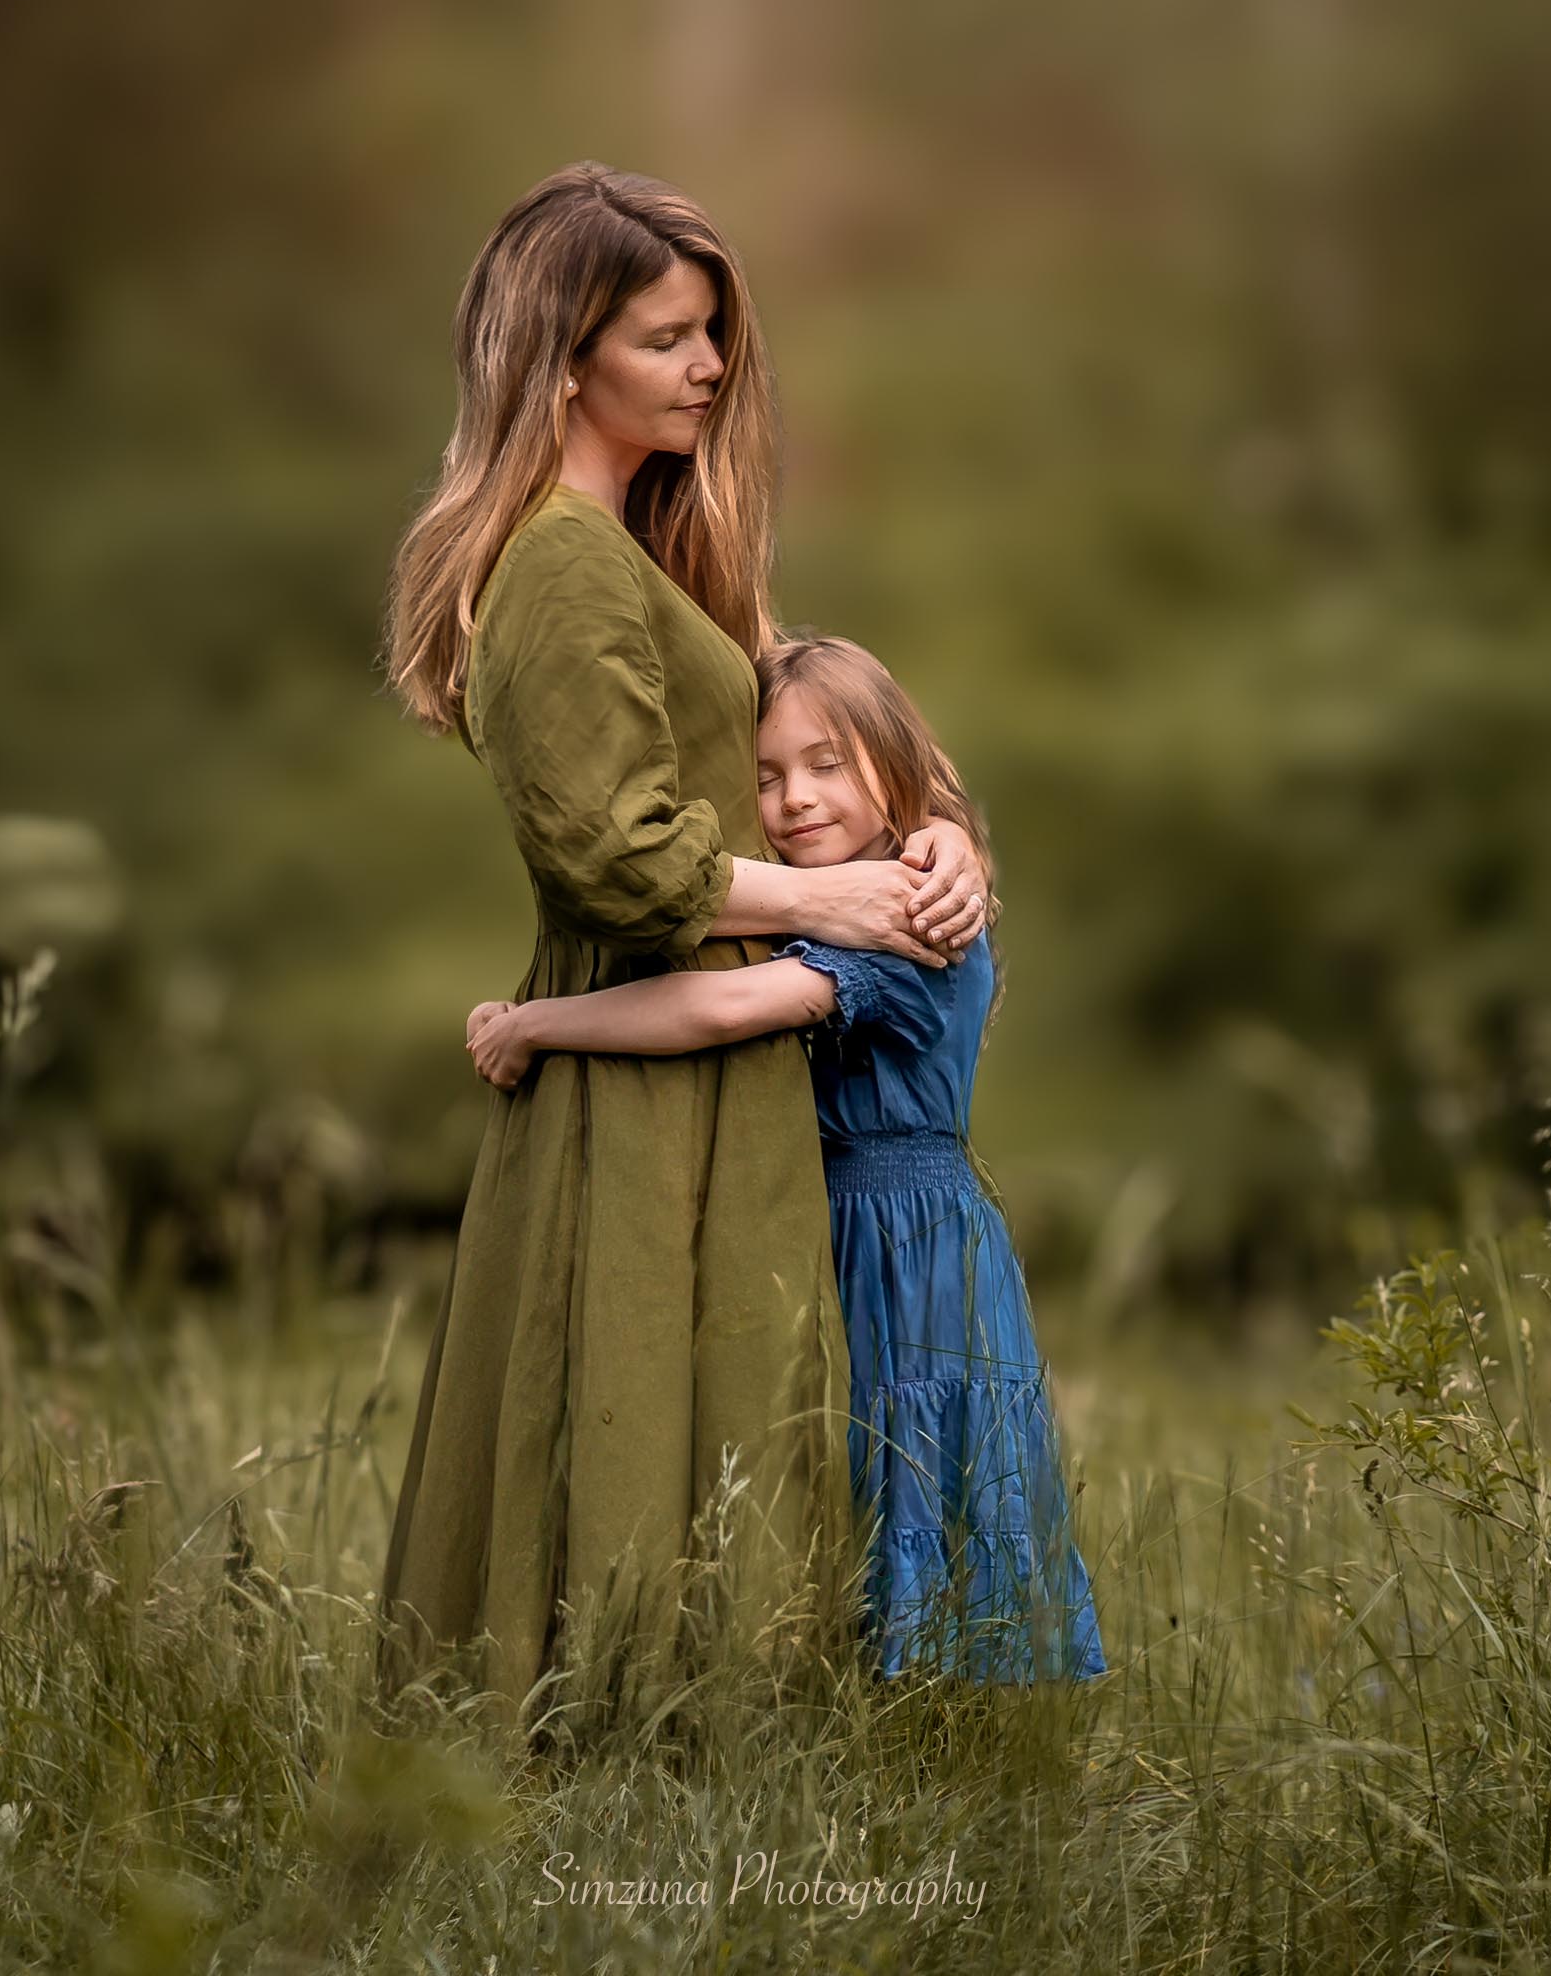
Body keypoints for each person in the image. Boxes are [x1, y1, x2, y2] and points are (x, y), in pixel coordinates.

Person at [376, 165, 990, 1718]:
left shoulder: (626, 551)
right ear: (561, 355)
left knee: (705, 1405)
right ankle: (611, 1777)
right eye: (667, 337)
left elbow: (800, 726)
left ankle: (702, 1768)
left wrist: (935, 833)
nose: (710, 366)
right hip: (645, 1063)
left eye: (712, 333)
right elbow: (618, 856)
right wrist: (832, 902)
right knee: (638, 1398)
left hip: (708, 1050)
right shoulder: (562, 559)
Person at [467, 629, 1107, 1686]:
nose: (794, 799)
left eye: (825, 764)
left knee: (903, 1470)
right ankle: (876, 1715)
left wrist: (539, 1024)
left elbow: (718, 1007)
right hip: (853, 1225)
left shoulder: (900, 916)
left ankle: (938, 1739)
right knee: (850, 1473)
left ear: (891, 766)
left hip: (902, 1244)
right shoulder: (860, 897)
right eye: (763, 777)